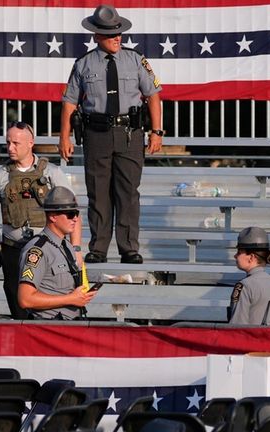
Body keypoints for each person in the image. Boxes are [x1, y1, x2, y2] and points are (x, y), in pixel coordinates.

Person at [59, 4, 164, 265]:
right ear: (96, 36)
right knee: (98, 192)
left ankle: (129, 248)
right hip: (97, 134)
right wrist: (64, 136)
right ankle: (99, 248)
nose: (116, 38)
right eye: (110, 34)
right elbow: (69, 102)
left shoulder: (136, 59)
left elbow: (153, 95)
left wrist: (157, 131)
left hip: (130, 133)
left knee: (128, 192)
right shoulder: (83, 64)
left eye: (119, 33)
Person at [0, 121, 82, 319]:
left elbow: (73, 212)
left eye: (16, 143)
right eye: (8, 143)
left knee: (48, 307)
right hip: (13, 249)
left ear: (31, 143)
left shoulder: (52, 173)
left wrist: (76, 250)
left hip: (48, 250)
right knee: (18, 308)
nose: (10, 148)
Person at [17, 186, 96, 319]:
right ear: (53, 216)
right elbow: (25, 299)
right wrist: (70, 299)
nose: (75, 219)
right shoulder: (37, 251)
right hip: (49, 328)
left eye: (76, 213)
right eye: (70, 214)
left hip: (70, 324)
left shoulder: (67, 246)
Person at [229, 227, 270, 326]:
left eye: (239, 252)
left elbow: (237, 327)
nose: (235, 256)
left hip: (250, 341)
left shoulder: (244, 286)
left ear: (251, 257)